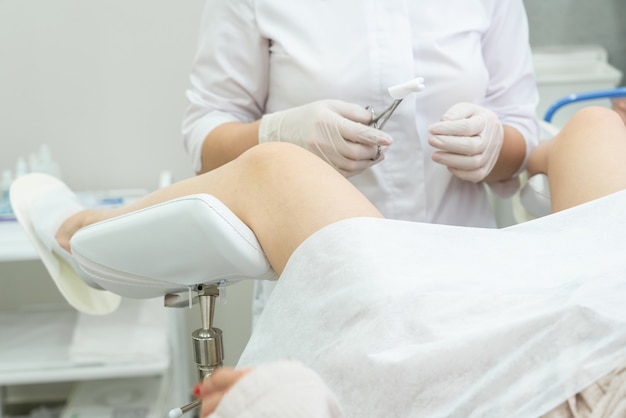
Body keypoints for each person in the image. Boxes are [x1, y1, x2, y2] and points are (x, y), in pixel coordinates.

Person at [12, 106, 624, 417]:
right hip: (594, 294)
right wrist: (276, 123)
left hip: (500, 334)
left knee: (277, 169)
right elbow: (204, 133)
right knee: (596, 123)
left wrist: (500, 144)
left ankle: (76, 238)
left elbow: (509, 138)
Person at [181, 0, 540, 318]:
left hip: (465, 283)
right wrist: (278, 134)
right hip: (320, 295)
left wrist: (492, 145)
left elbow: (522, 133)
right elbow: (205, 143)